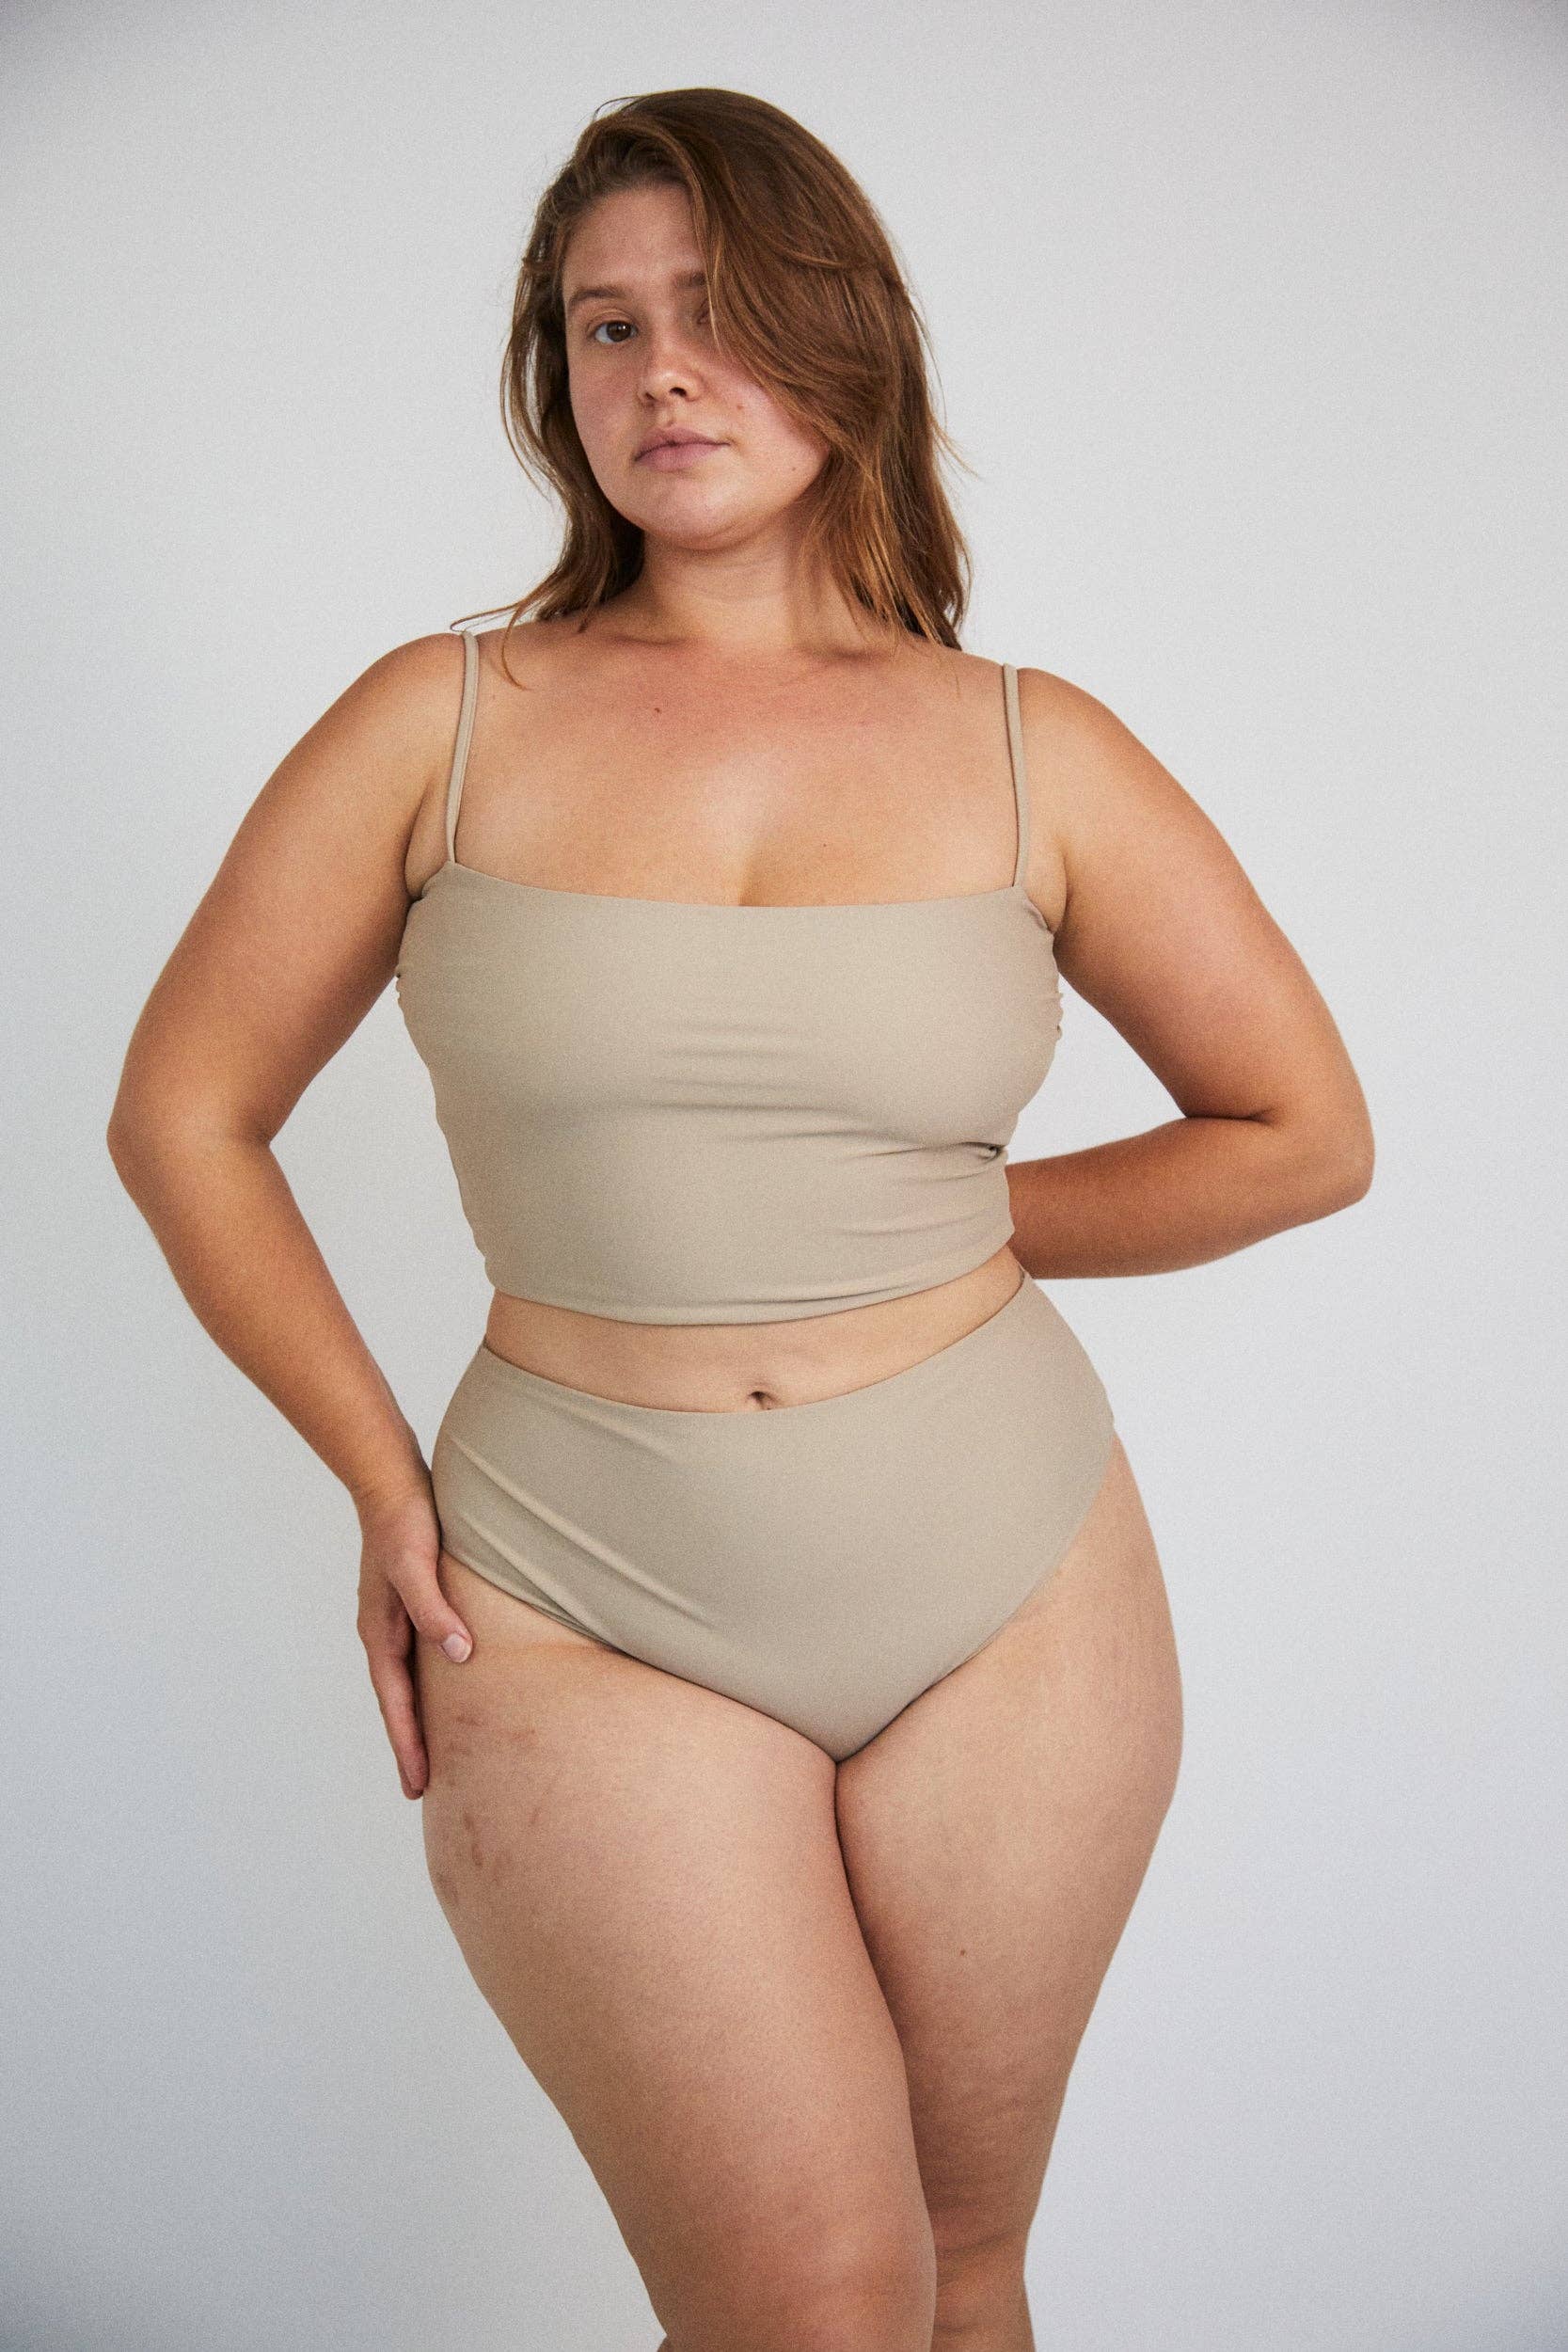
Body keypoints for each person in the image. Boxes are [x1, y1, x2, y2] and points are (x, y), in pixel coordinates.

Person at [106, 86, 1373, 2352]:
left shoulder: (1032, 745)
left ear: (841, 335)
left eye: (715, 311)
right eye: (607, 326)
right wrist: (382, 1482)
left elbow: (1301, 1128)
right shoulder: (440, 719)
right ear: (557, 378)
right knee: (802, 2301)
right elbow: (185, 1112)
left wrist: (951, 1236)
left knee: (965, 2278)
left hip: (1007, 1573)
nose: (662, 371)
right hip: (575, 1579)